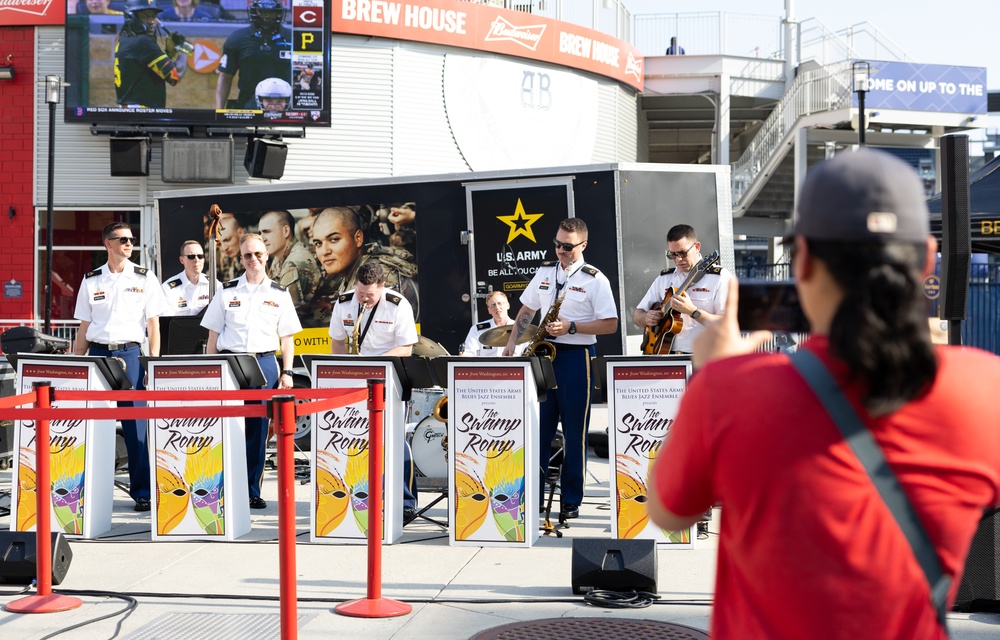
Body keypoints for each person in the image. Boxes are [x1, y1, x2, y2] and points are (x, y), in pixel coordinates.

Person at [647, 149, 1000, 640]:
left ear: (804, 260)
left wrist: (715, 374)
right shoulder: (986, 388)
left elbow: (667, 509)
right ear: (926, 261)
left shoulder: (732, 390)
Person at [502, 218, 618, 519]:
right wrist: (512, 343)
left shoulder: (595, 279)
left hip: (576, 356)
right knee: (539, 429)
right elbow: (527, 310)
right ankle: (535, 495)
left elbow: (611, 323)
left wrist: (571, 327)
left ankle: (571, 498)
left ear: (583, 245)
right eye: (557, 244)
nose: (560, 251)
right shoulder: (544, 271)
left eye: (567, 247)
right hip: (543, 355)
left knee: (574, 431)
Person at [201, 233, 302, 509]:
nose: (253, 259)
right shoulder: (227, 291)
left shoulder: (279, 294)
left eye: (258, 254)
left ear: (266, 255)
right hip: (230, 363)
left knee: (257, 431)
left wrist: (287, 372)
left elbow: (287, 339)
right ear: (241, 258)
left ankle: (251, 490)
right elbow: (213, 336)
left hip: (265, 363)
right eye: (248, 255)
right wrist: (210, 371)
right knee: (226, 426)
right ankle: (221, 487)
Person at [73, 222, 168, 512]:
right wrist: (75, 365)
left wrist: (152, 364)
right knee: (92, 425)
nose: (129, 244)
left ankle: (142, 492)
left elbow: (153, 325)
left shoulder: (145, 277)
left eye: (131, 239)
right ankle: (88, 490)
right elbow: (84, 327)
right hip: (98, 356)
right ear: (108, 244)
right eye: (123, 239)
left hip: (130, 356)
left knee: (136, 426)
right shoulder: (91, 280)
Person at [328, 262, 420, 521]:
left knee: (394, 440)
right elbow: (336, 339)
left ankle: (405, 502)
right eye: (361, 292)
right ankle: (362, 495)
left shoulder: (397, 303)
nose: (364, 298)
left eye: (369, 294)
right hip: (355, 380)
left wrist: (375, 364)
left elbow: (407, 347)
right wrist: (340, 371)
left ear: (382, 286)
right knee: (356, 439)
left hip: (389, 378)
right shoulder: (345, 302)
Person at [302, 206, 418, 327]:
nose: (324, 251)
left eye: (334, 239)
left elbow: (381, 340)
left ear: (358, 238)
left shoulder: (375, 278)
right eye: (318, 243)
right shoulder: (356, 272)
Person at [633, 224, 734, 354]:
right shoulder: (665, 278)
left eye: (682, 253)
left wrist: (693, 311)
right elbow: (637, 314)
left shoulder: (720, 277)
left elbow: (728, 325)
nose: (678, 259)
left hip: (705, 357)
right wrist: (646, 317)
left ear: (697, 247)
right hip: (666, 355)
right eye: (673, 255)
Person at [216, 0, 292, 110]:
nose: (267, 17)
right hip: (248, 103)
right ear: (254, 12)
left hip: (285, 103)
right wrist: (219, 111)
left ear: (279, 13)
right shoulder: (237, 39)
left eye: (272, 12)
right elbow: (225, 77)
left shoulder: (293, 39)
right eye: (263, 12)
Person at [114, 0, 186, 109]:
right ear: (131, 17)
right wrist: (183, 50)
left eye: (154, 17)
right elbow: (175, 77)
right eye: (145, 17)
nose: (151, 22)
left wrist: (169, 54)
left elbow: (153, 71)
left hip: (131, 108)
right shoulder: (143, 41)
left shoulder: (125, 37)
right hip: (141, 111)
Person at [258, 209, 321, 308]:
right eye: (260, 233)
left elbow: (281, 311)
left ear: (286, 231)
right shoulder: (278, 256)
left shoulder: (295, 263)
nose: (262, 238)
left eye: (267, 232)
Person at [161, 240, 219, 317]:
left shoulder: (214, 284)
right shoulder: (169, 288)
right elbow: (166, 321)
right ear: (181, 260)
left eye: (200, 256)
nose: (196, 260)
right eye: (191, 256)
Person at [460, 290, 525, 357]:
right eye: (493, 305)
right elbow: (468, 355)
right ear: (489, 310)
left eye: (500, 303)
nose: (497, 307)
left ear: (508, 305)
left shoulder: (520, 328)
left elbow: (528, 354)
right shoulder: (477, 330)